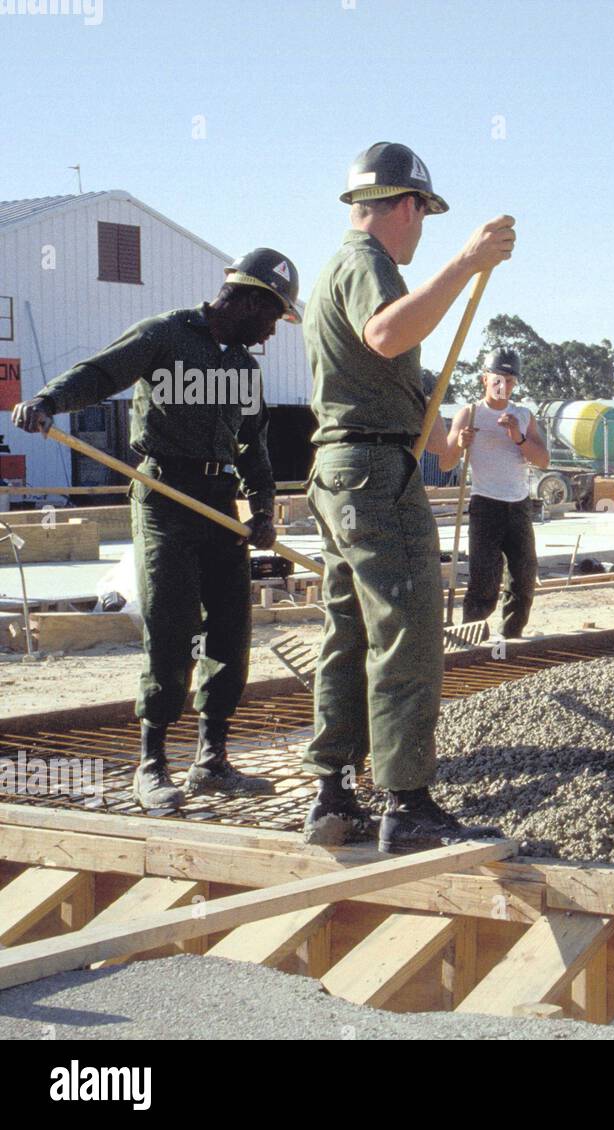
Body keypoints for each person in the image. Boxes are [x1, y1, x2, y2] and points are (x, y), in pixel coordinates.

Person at [10, 248, 300, 809]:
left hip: (220, 503)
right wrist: (49, 401)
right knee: (172, 625)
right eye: (270, 318)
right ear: (246, 300)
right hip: (166, 497)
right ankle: (152, 764)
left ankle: (211, 761)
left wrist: (262, 510)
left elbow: (253, 445)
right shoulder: (167, 335)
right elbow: (103, 371)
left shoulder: (243, 368)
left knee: (230, 633)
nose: (270, 333)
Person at [300, 141, 514, 852]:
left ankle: (333, 795)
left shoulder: (335, 267)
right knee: (407, 627)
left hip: (340, 469)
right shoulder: (367, 264)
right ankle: (406, 804)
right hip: (371, 473)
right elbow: (388, 333)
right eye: (421, 214)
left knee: (350, 631)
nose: (422, 230)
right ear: (404, 206)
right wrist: (466, 264)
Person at [443, 347, 548, 637]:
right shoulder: (469, 414)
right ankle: (472, 633)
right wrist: (460, 443)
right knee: (484, 578)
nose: (503, 387)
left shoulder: (523, 416)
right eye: (497, 379)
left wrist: (519, 438)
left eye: (510, 381)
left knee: (524, 576)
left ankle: (510, 635)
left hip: (518, 504)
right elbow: (446, 461)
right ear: (484, 379)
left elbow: (543, 459)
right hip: (485, 505)